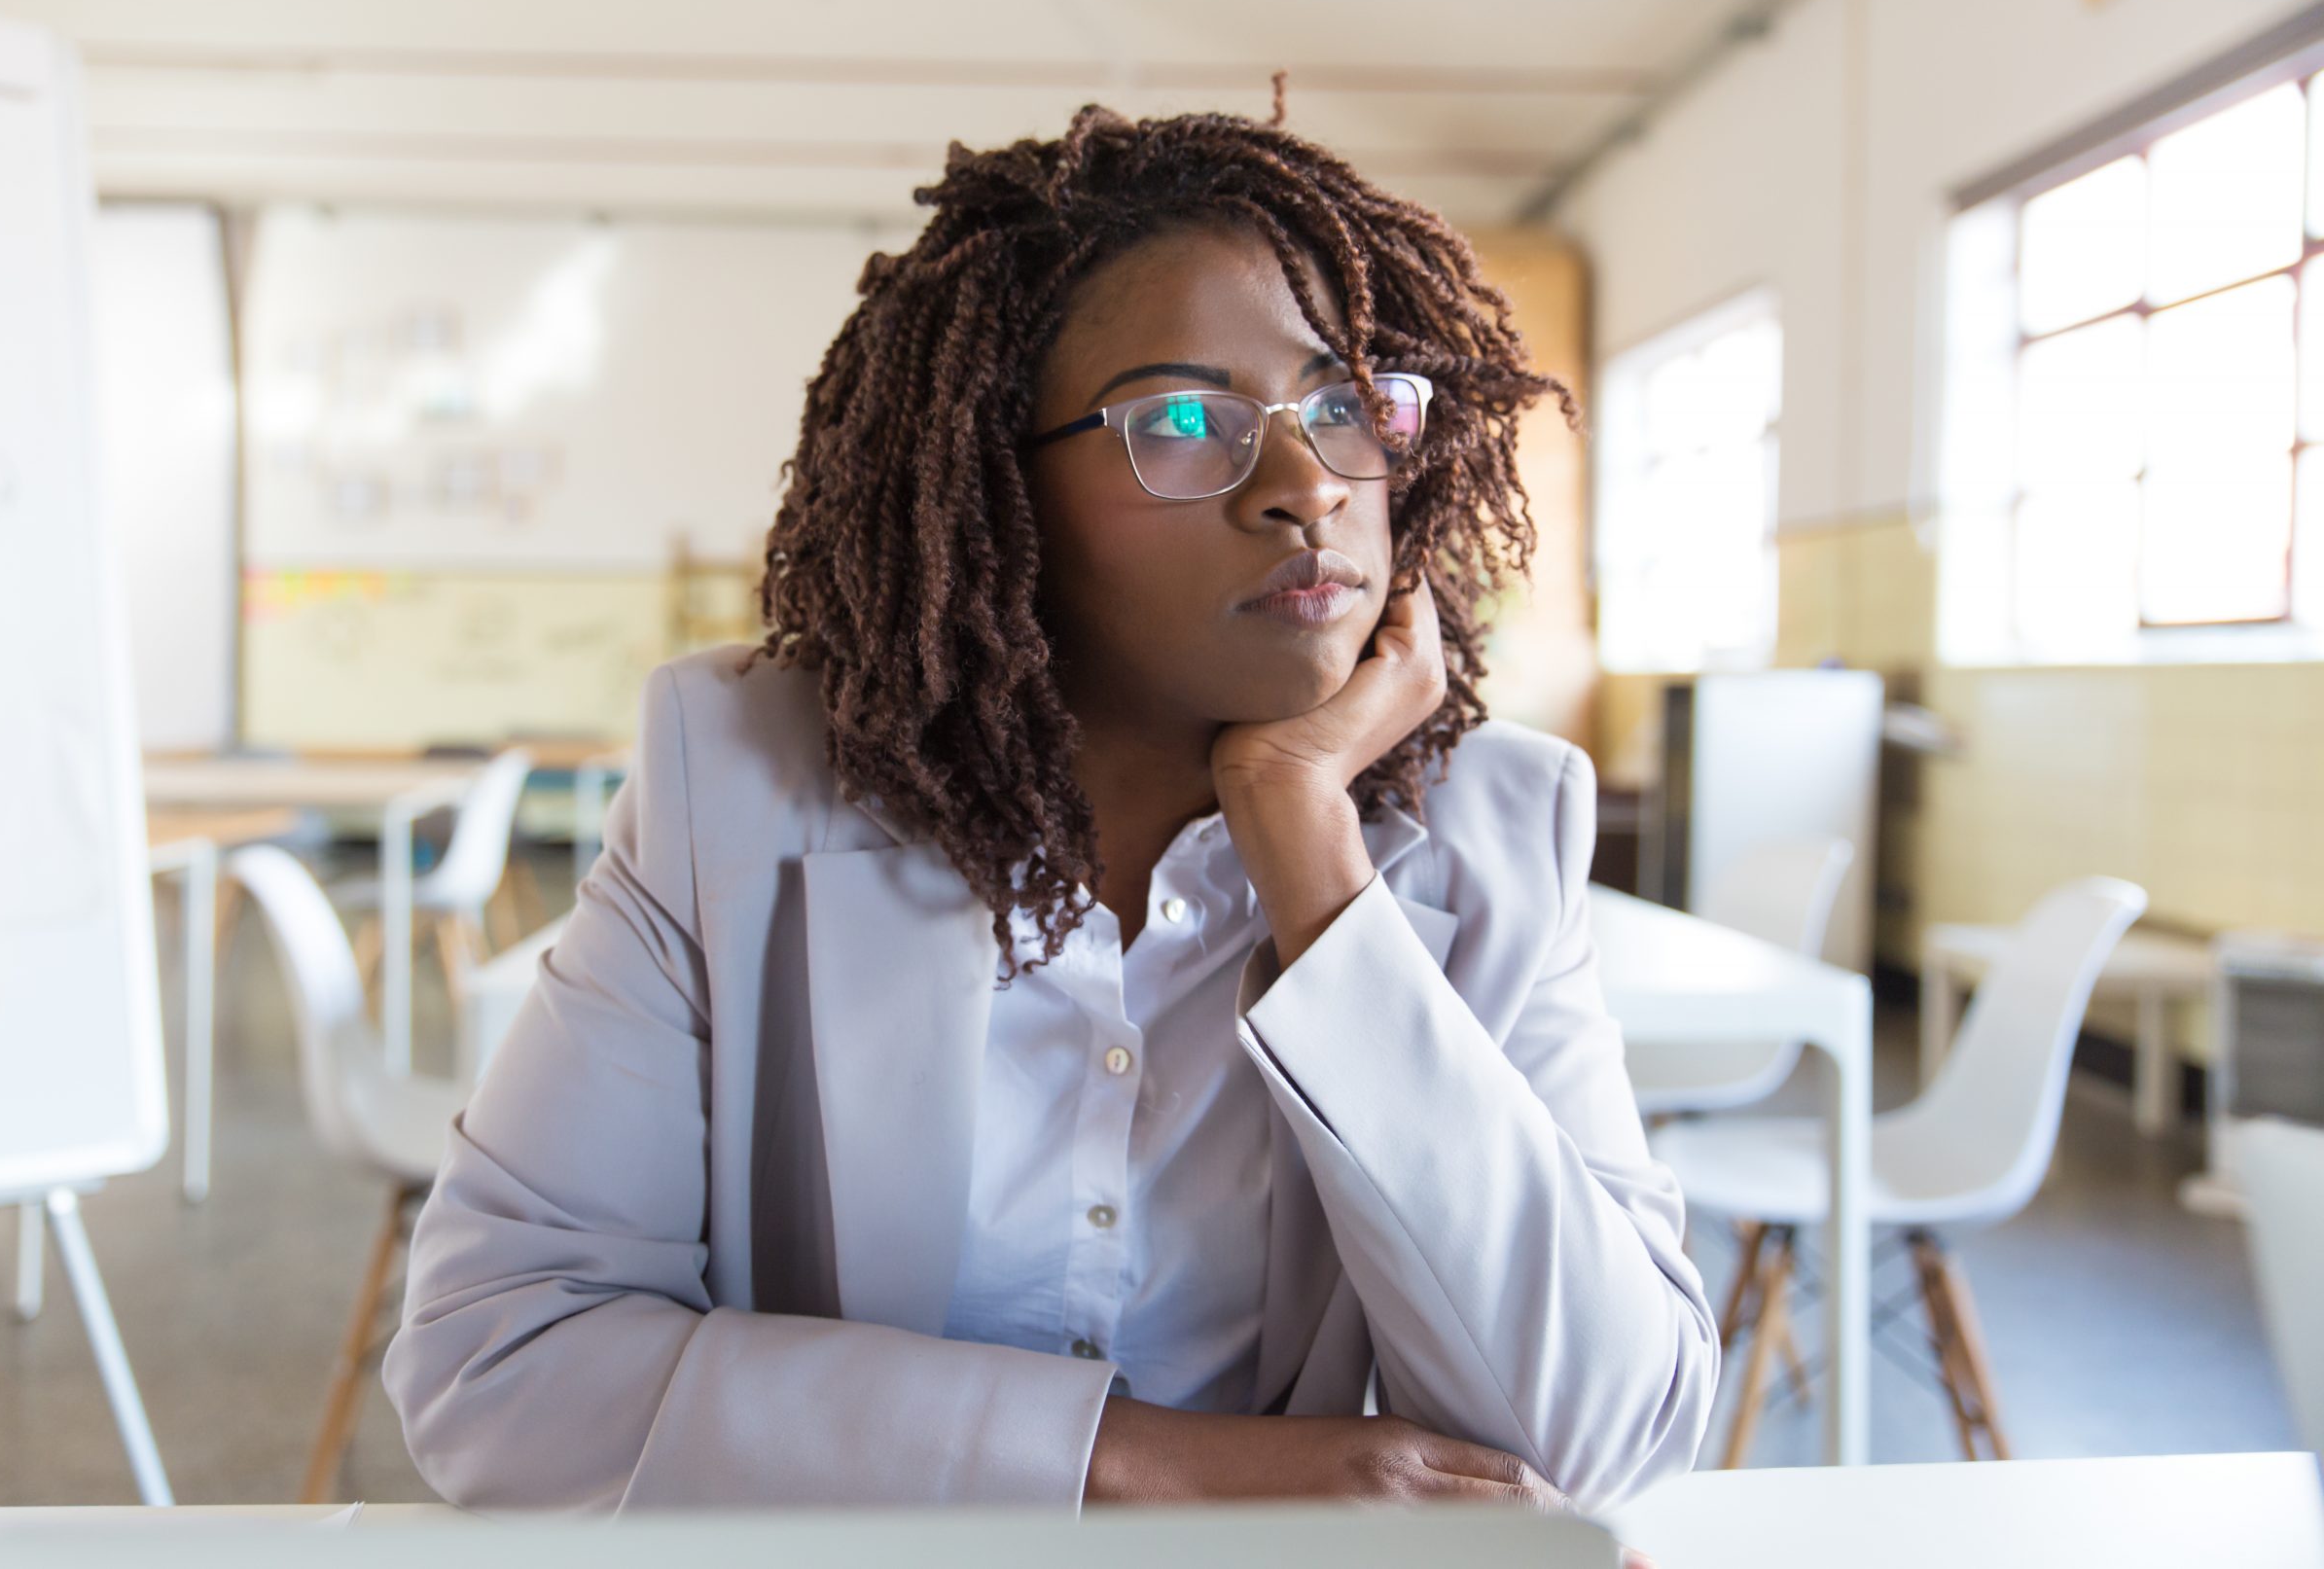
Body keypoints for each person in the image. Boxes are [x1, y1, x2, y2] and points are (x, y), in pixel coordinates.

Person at [382, 97, 1718, 1517]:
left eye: (1342, 404)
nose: (1304, 486)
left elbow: (1609, 1440)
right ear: (988, 484)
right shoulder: (742, 778)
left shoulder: (1497, 828)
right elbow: (499, 1362)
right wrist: (1147, 1465)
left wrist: (1313, 857)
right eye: (1181, 421)